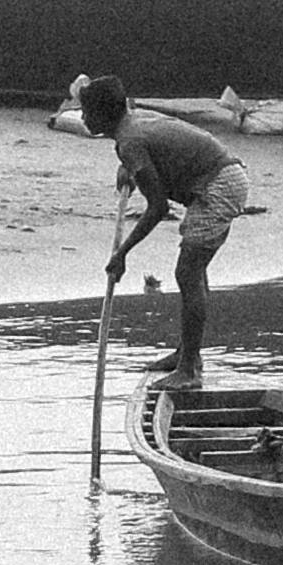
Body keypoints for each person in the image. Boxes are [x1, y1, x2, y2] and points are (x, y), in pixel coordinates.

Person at [73, 71, 252, 373]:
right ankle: (187, 355)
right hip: (221, 176)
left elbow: (157, 207)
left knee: (187, 272)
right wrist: (128, 168)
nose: (83, 118)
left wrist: (122, 254)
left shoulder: (130, 140)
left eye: (88, 113)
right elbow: (157, 149)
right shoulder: (131, 125)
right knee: (193, 271)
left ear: (104, 116)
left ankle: (189, 369)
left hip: (219, 185)